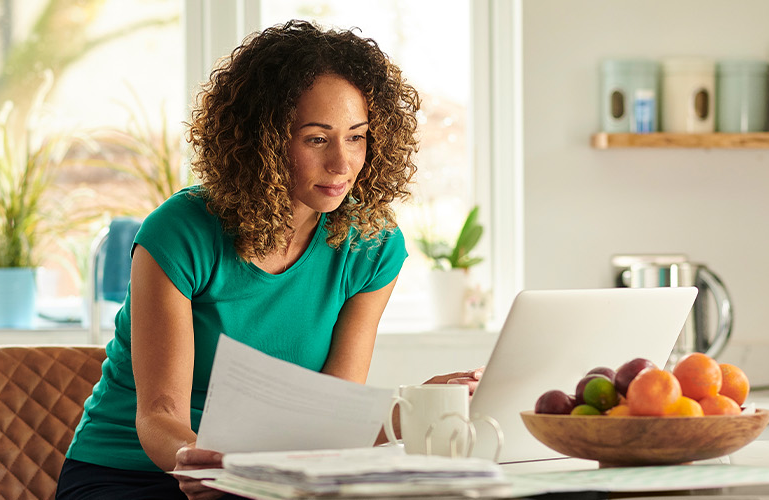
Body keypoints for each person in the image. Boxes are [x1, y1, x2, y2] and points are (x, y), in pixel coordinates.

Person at [56, 20, 480, 500]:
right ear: (263, 140)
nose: (343, 162)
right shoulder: (180, 231)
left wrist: (421, 405)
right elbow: (159, 415)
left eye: (357, 137)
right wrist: (208, 467)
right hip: (131, 472)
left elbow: (329, 417)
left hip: (270, 478)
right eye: (317, 139)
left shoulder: (372, 246)